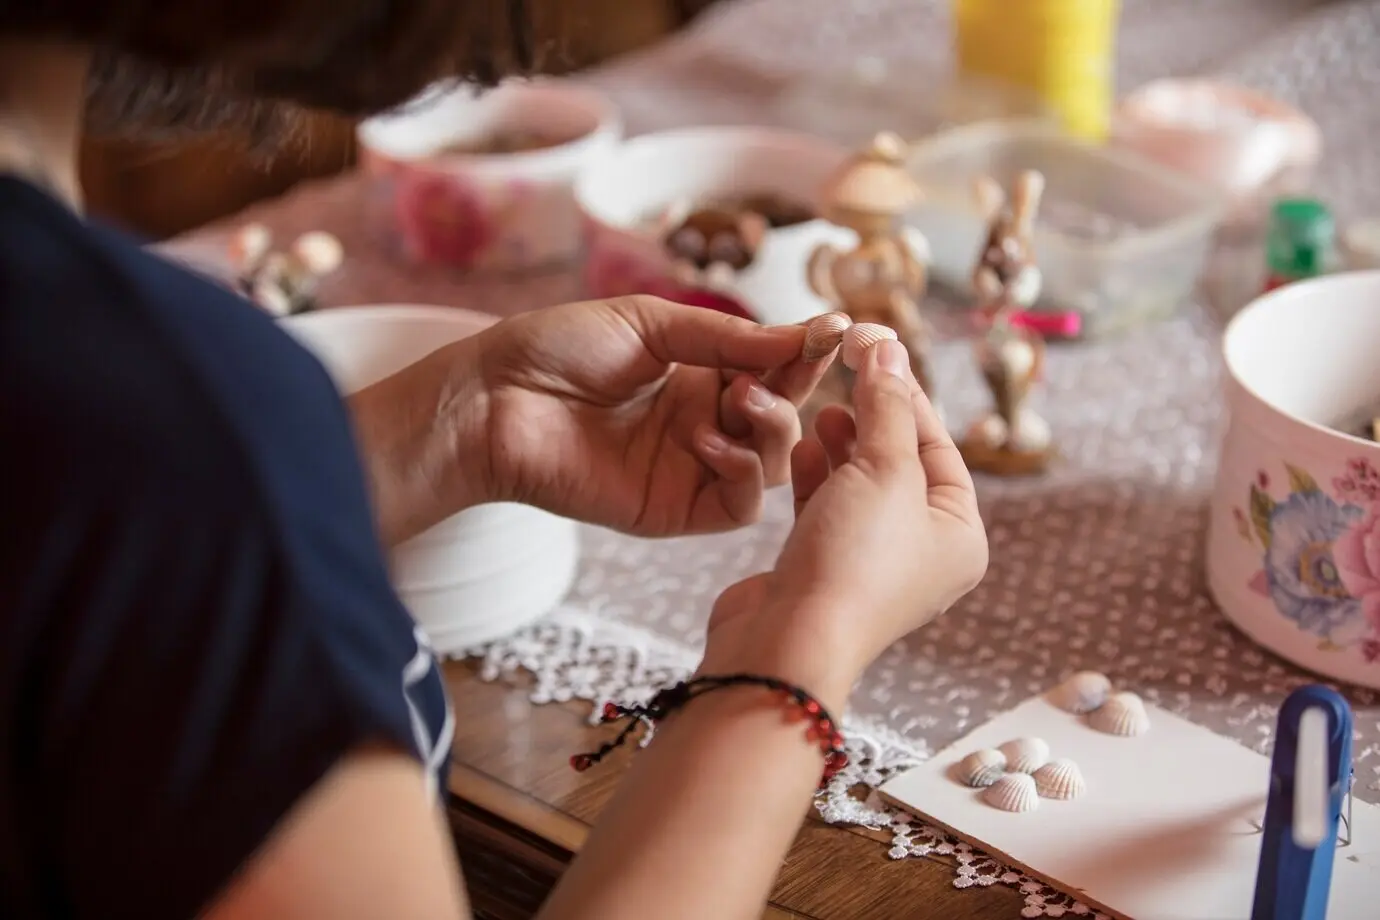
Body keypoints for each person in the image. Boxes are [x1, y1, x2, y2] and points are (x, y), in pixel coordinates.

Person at [0, 3, 989, 918]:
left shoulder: (111, 397)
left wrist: (455, 426)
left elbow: (84, 562)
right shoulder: (152, 407)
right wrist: (798, 646)